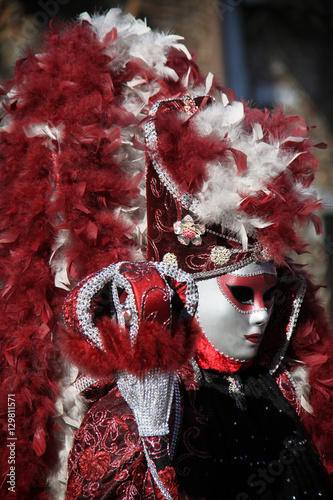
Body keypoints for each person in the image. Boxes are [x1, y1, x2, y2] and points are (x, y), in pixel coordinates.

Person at [62, 94, 333, 499]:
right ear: (184, 293)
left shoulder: (286, 387)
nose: (261, 316)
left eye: (270, 296)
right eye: (242, 295)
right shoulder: (134, 419)